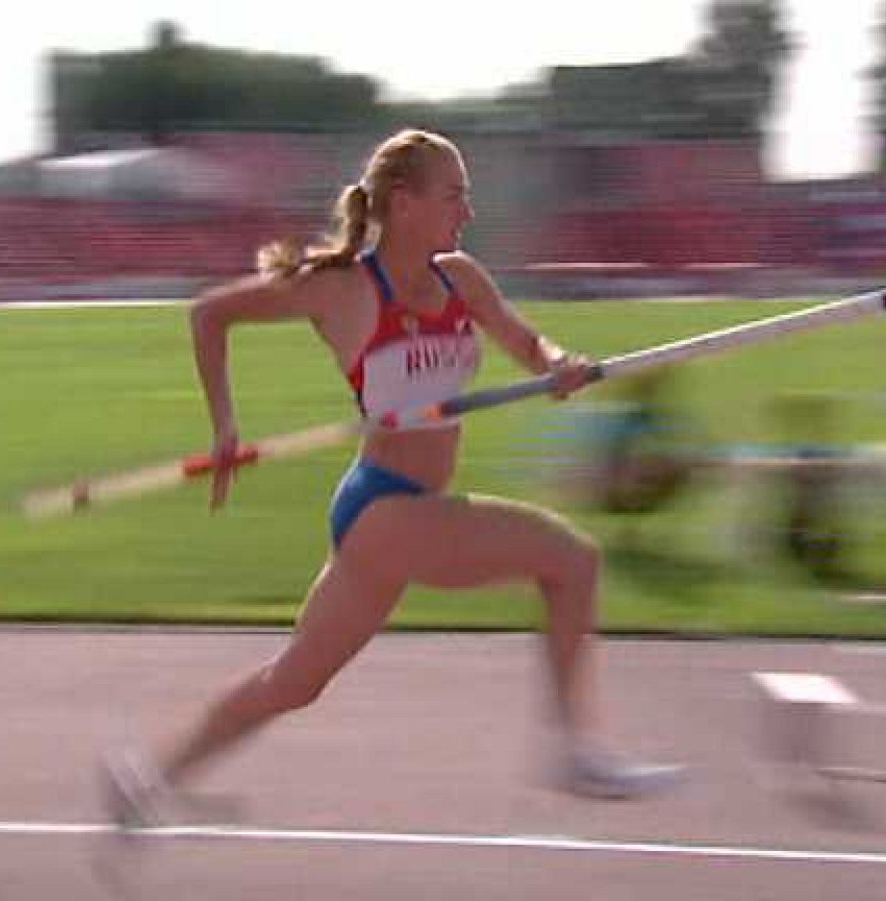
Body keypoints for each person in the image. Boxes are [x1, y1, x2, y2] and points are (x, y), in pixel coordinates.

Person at [103, 129, 684, 827]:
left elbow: (528, 343)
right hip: (382, 508)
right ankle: (579, 749)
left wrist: (559, 364)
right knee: (571, 560)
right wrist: (224, 428)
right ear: (404, 204)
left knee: (293, 682)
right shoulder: (342, 288)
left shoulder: (461, 279)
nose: (466, 213)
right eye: (454, 197)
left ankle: (147, 777)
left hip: (403, 518)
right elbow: (211, 314)